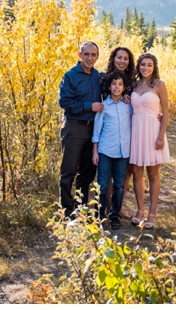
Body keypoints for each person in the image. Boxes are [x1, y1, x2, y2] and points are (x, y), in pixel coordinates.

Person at [58, 41, 103, 218]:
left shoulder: (97, 76)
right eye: (86, 54)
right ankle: (66, 210)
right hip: (74, 128)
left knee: (87, 171)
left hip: (92, 130)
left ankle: (81, 206)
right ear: (79, 55)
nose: (90, 58)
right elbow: (65, 103)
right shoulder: (70, 76)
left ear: (97, 57)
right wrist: (88, 106)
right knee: (69, 170)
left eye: (93, 55)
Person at [128, 52, 170, 229]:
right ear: (138, 66)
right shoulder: (134, 85)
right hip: (136, 130)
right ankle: (140, 211)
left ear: (154, 67)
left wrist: (161, 136)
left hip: (153, 131)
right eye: (143, 64)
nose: (145, 68)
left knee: (153, 174)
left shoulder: (159, 85)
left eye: (149, 65)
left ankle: (152, 214)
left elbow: (166, 112)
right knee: (137, 173)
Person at [91, 70, 133, 230]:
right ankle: (100, 216)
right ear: (109, 86)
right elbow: (97, 130)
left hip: (123, 152)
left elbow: (137, 118)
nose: (117, 87)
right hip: (105, 150)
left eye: (120, 84)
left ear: (124, 87)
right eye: (114, 84)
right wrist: (95, 151)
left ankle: (115, 215)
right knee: (101, 184)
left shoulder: (127, 106)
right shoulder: (104, 106)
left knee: (119, 185)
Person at [99, 47, 136, 219]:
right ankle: (106, 208)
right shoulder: (103, 78)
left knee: (123, 174)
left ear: (129, 62)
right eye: (119, 57)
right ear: (113, 59)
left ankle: (116, 207)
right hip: (106, 125)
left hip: (126, 131)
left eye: (125, 58)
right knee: (106, 177)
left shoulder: (132, 81)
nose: (122, 61)